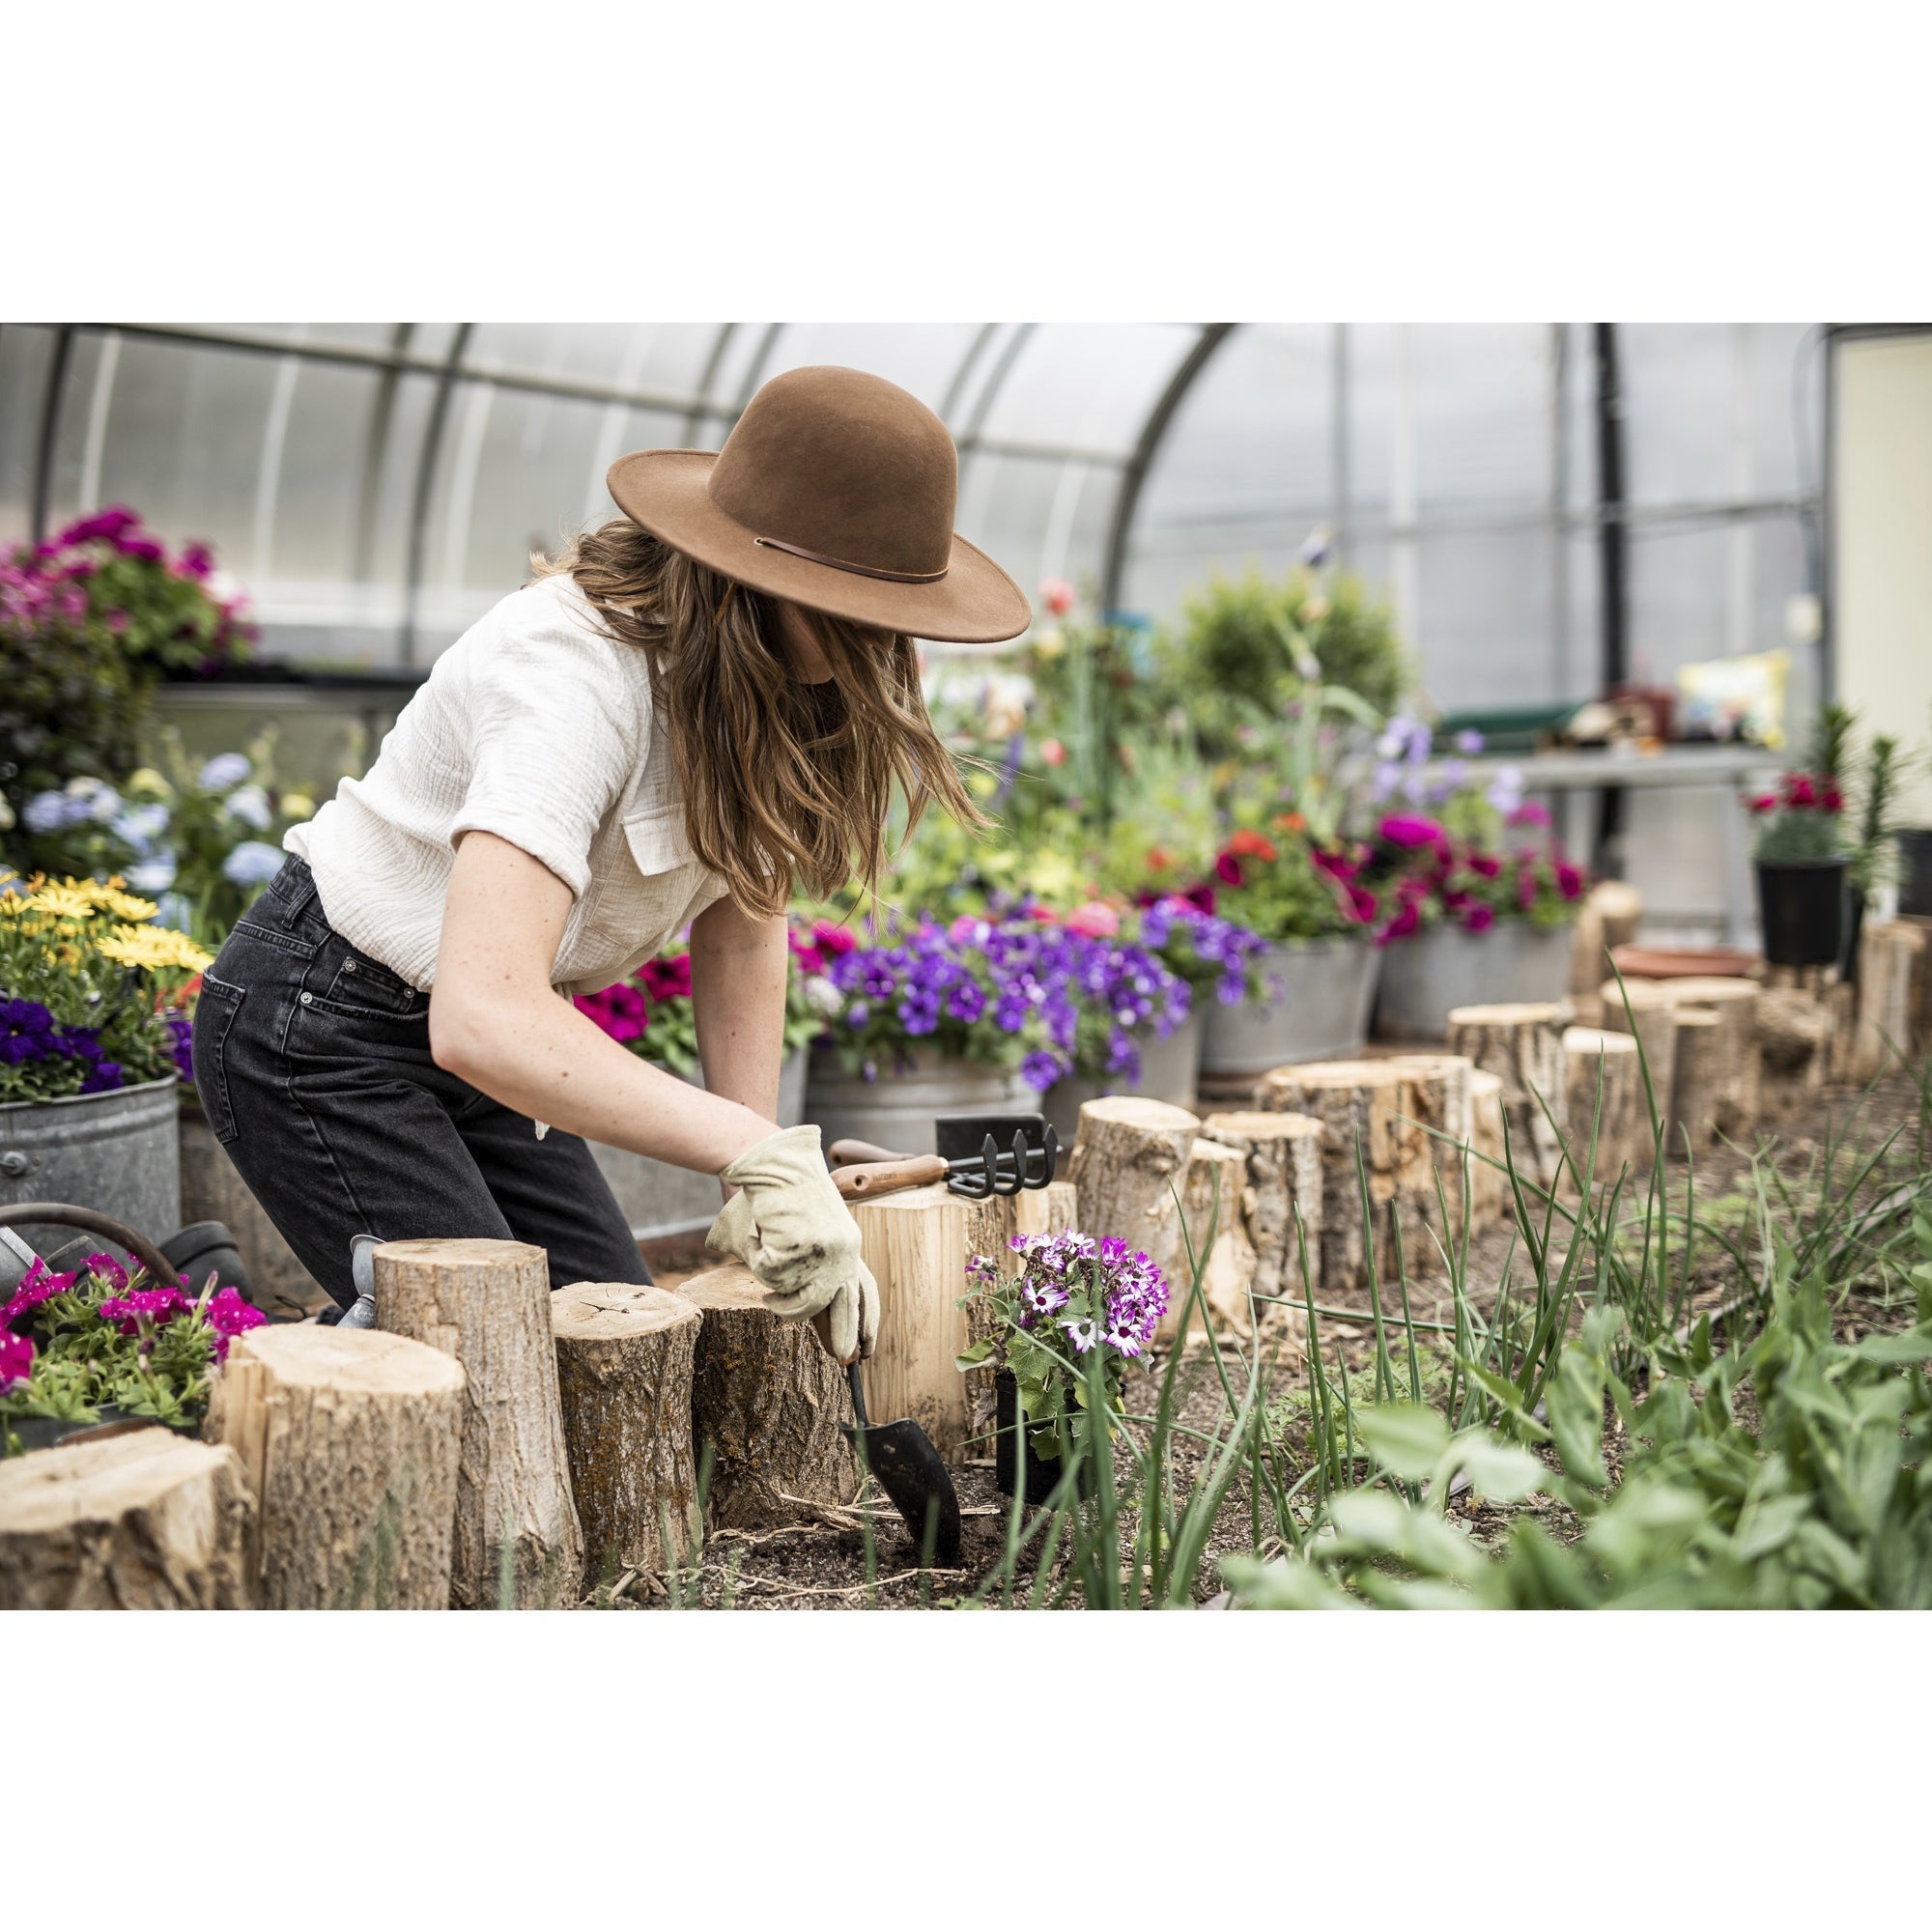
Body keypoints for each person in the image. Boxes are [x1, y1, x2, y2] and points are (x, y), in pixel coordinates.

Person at [192, 365, 1031, 1363]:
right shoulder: (570, 674)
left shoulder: (774, 676)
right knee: (496, 1356)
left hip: (476, 1057)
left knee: (618, 1341)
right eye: (848, 605)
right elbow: (483, 1012)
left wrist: (753, 1168)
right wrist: (746, 1147)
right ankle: (223, 1324)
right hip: (322, 1027)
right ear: (748, 578)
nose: (879, 642)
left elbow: (743, 919)